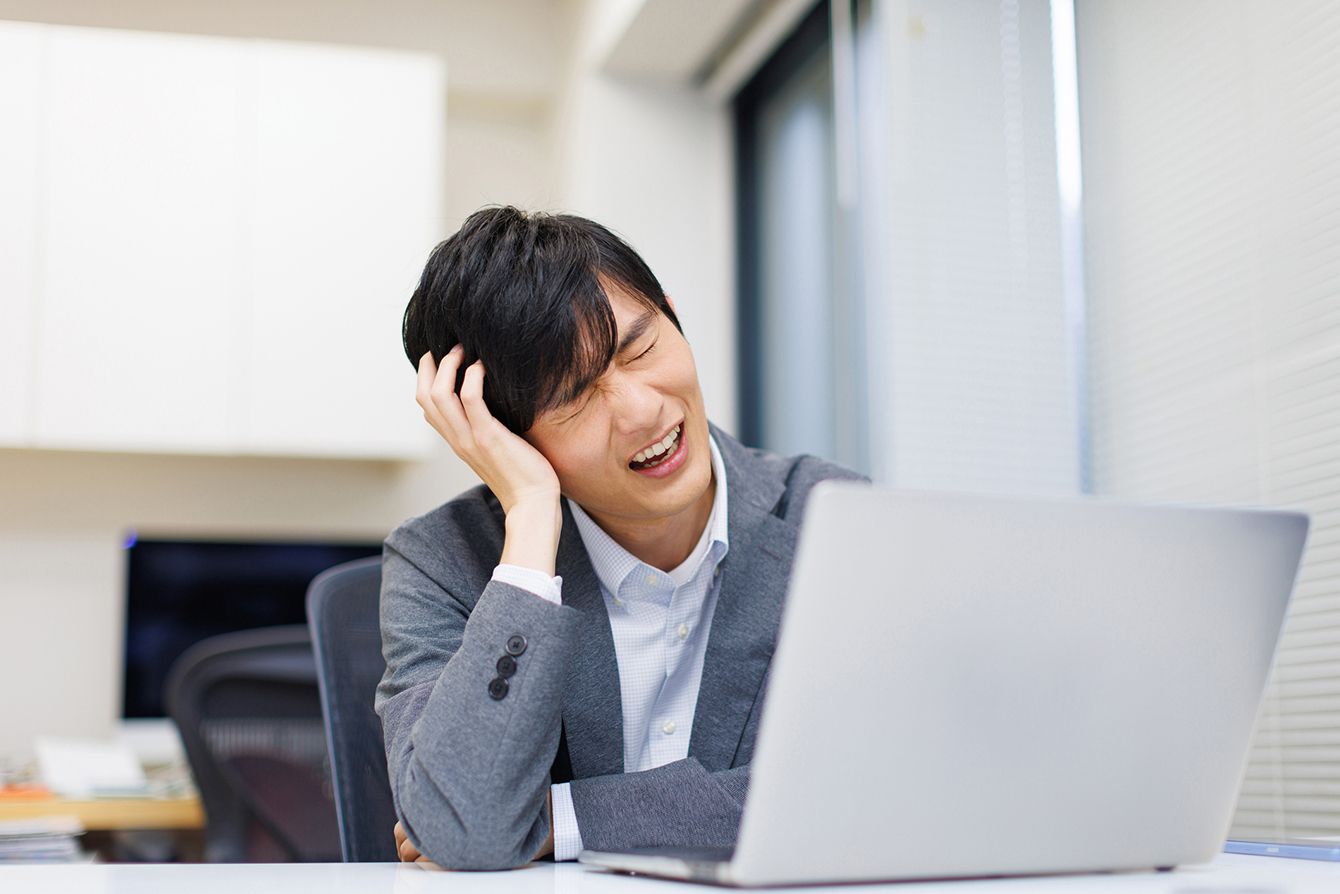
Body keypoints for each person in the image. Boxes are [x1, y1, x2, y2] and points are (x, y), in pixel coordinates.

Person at [377, 206, 861, 870]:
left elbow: (868, 787)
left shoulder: (835, 522)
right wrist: (531, 516)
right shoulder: (442, 559)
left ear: (672, 317)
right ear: (503, 433)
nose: (642, 410)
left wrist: (565, 818)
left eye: (641, 349)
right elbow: (463, 827)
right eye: (575, 396)